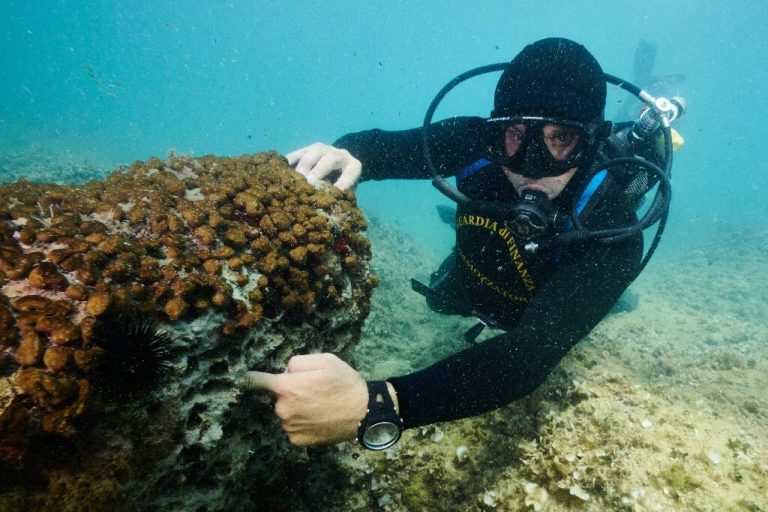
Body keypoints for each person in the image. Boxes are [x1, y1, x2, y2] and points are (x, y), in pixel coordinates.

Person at [244, 38, 672, 449]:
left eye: (562, 139)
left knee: (599, 308)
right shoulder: (474, 143)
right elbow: (376, 149)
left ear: (590, 140)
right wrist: (341, 153)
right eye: (517, 135)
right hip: (478, 282)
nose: (531, 167)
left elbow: (527, 356)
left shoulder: (612, 233)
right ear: (496, 130)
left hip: (545, 299)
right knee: (442, 298)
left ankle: (641, 117)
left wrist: (380, 403)